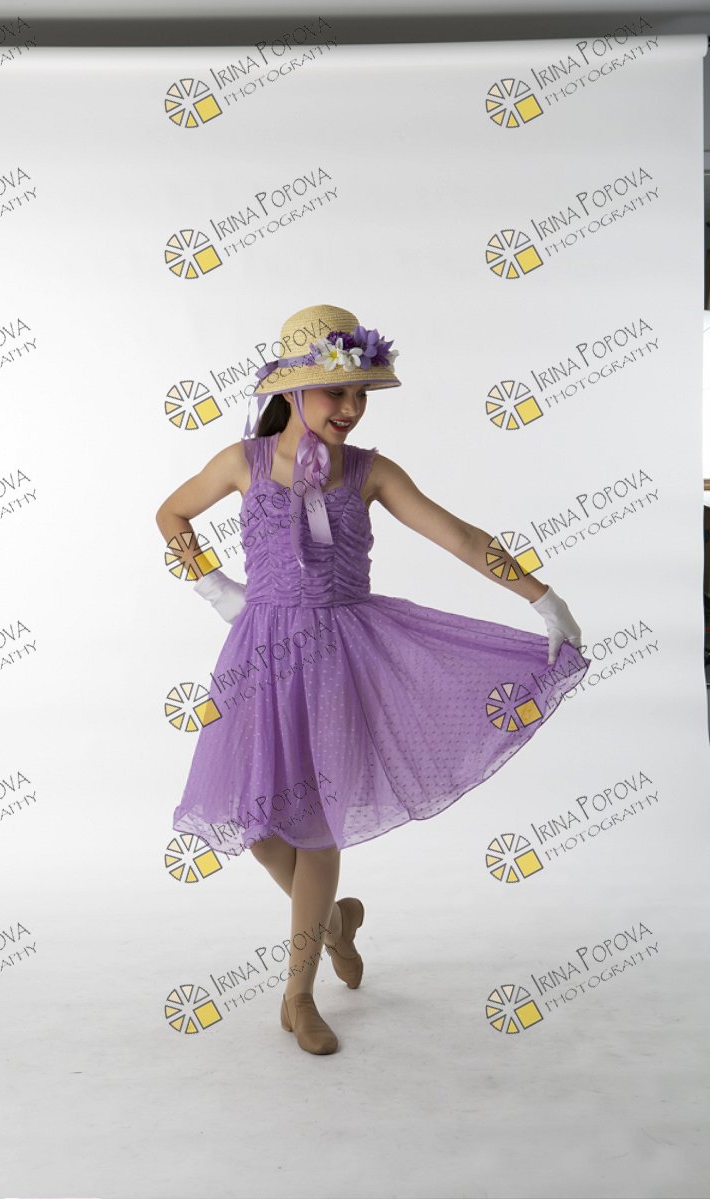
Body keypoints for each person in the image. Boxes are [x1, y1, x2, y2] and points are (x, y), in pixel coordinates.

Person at [155, 302, 590, 1057]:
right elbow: (170, 514)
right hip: (261, 656)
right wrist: (212, 585)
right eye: (338, 391)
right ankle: (336, 924)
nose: (352, 408)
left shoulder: (370, 472)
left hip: (340, 659)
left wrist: (543, 597)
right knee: (261, 829)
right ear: (294, 390)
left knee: (315, 826)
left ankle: (297, 994)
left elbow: (462, 537)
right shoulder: (241, 462)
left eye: (362, 394)